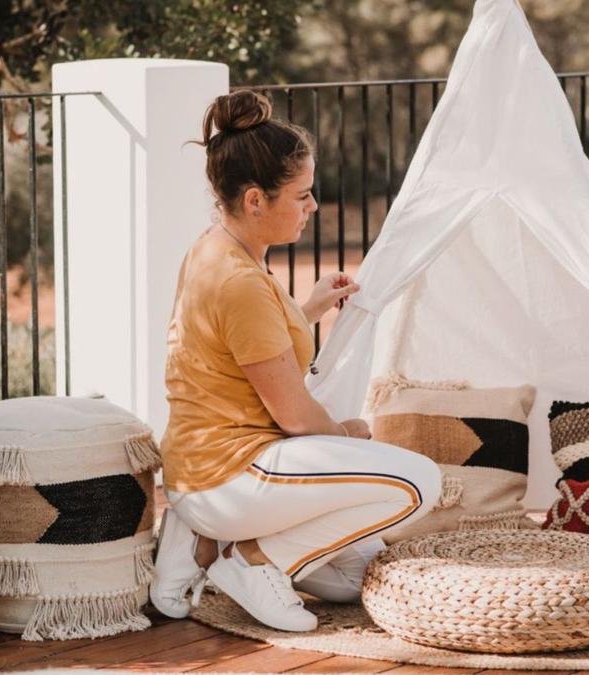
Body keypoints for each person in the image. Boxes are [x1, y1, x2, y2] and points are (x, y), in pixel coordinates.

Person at [150, 90, 441, 632]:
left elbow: (241, 349)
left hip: (203, 463)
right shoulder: (239, 283)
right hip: (228, 474)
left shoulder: (218, 247)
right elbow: (296, 417)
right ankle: (250, 561)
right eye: (302, 195)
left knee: (355, 581)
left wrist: (309, 306)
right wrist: (346, 433)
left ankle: (201, 544)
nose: (312, 207)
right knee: (419, 483)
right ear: (256, 200)